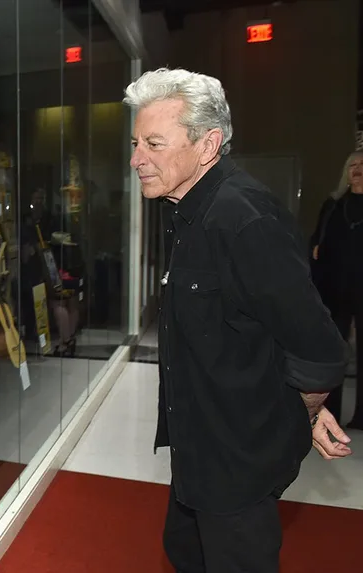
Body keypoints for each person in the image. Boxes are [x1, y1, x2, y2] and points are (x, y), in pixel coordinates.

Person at [125, 68, 351, 572]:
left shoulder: (242, 218)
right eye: (137, 142)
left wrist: (301, 413)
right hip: (199, 450)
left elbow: (320, 351)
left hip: (237, 462)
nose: (137, 158)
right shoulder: (184, 210)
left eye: (154, 143)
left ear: (208, 145)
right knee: (185, 551)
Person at [309, 150, 363, 429]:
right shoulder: (333, 205)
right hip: (336, 292)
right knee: (335, 354)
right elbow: (317, 245)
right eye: (352, 165)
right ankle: (330, 414)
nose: (357, 169)